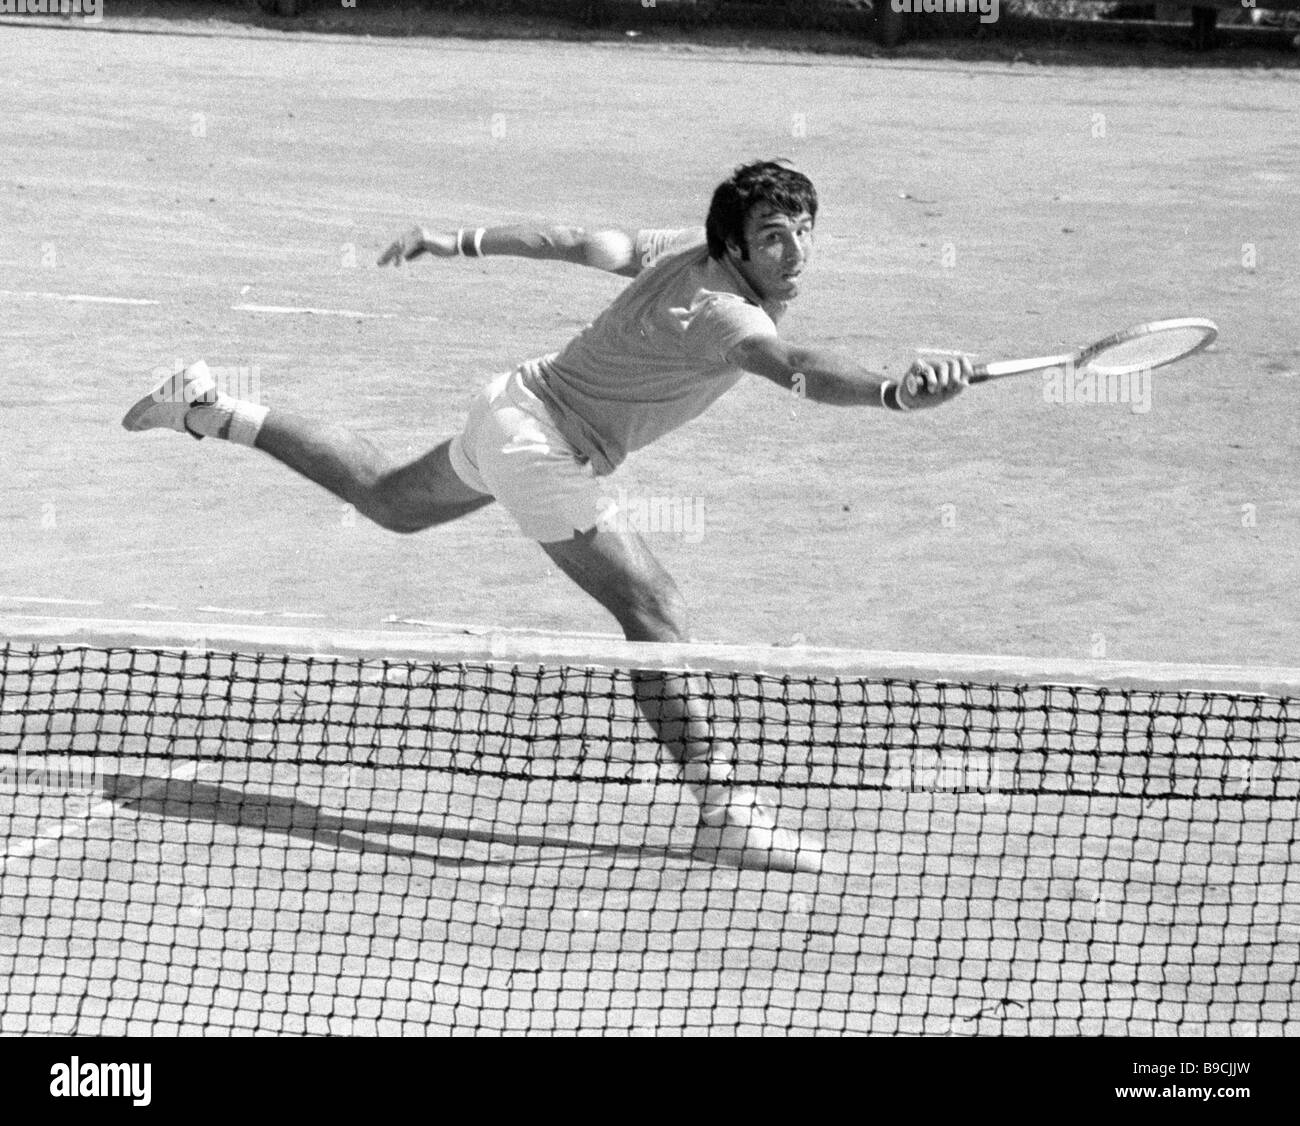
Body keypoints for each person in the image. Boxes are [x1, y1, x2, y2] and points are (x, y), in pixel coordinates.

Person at [123, 160, 969, 873]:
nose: (795, 252)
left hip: (514, 406)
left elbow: (575, 242)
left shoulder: (678, 249)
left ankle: (204, 408)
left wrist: (457, 240)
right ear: (735, 246)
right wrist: (893, 392)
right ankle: (723, 811)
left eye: (804, 231)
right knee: (656, 609)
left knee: (387, 499)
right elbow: (796, 366)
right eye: (775, 237)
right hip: (543, 446)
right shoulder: (723, 313)